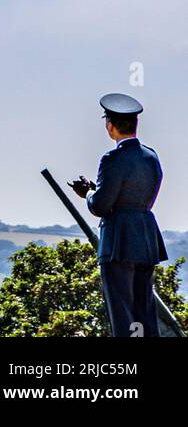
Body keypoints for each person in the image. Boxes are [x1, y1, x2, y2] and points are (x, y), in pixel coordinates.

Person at [69, 93, 167, 337]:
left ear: (109, 125)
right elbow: (135, 196)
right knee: (144, 313)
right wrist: (97, 187)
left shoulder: (112, 158)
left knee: (122, 314)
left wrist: (87, 195)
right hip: (145, 238)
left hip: (119, 241)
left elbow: (100, 206)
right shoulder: (151, 156)